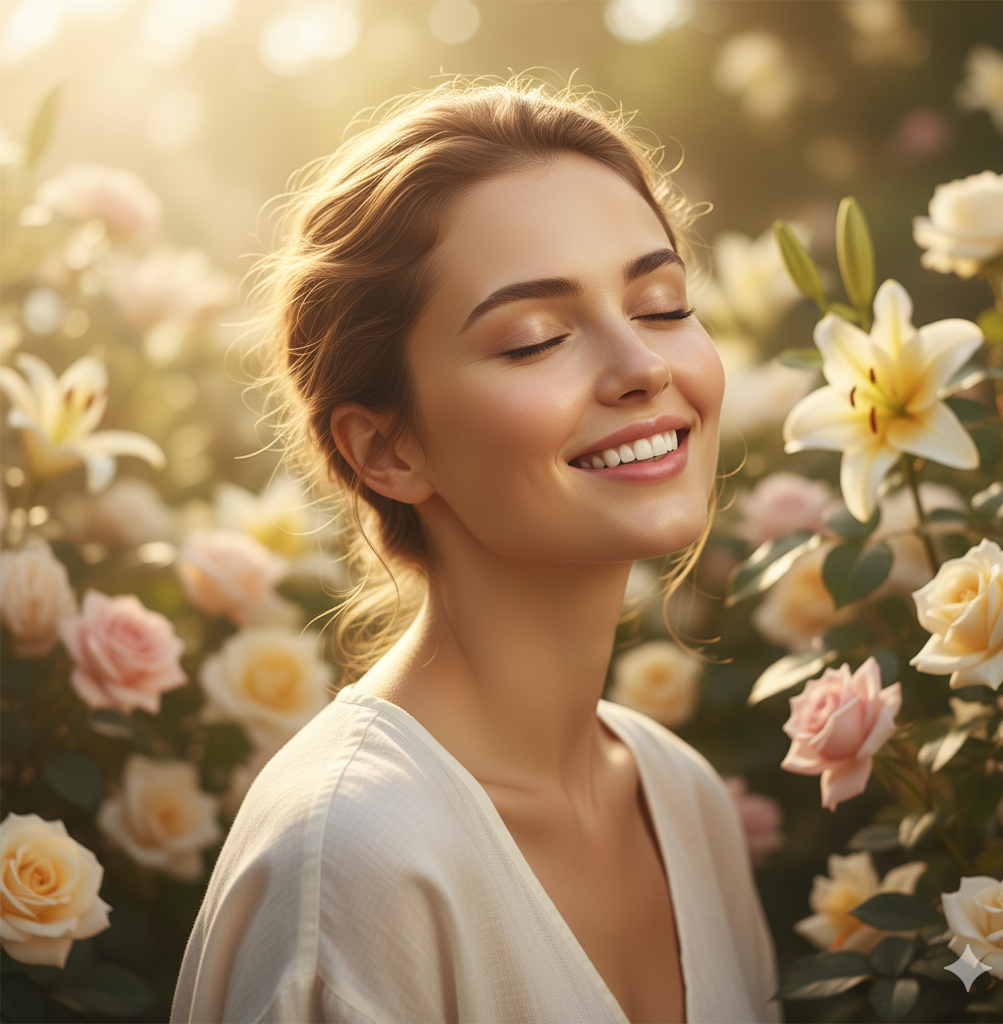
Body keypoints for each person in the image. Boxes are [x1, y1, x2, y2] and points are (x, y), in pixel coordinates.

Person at [171, 78, 780, 1024]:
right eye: (536, 339)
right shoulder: (354, 863)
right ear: (386, 449)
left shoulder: (681, 797)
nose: (646, 367)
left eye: (661, 305)